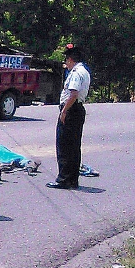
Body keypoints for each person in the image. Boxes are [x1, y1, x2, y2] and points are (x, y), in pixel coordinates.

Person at [47, 44, 91, 189]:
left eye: (66, 60)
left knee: (64, 146)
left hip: (71, 110)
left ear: (71, 59)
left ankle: (64, 179)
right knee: (74, 146)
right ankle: (72, 179)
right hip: (77, 110)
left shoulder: (76, 73)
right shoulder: (84, 71)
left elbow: (73, 94)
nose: (65, 63)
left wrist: (64, 111)